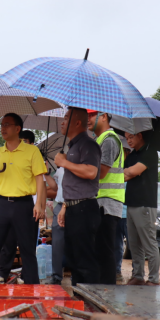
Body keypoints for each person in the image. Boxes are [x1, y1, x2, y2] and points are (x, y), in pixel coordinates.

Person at [0, 113, 47, 285]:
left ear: (17, 129)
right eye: (2, 125)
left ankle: (32, 287)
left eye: (7, 125)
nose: (3, 128)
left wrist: (39, 204)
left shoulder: (32, 151)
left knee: (27, 250)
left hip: (24, 205)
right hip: (1, 204)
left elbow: (40, 177)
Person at [0, 130, 57, 283]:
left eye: (25, 141)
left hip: (30, 206)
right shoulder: (13, 156)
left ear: (32, 143)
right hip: (13, 205)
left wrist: (40, 207)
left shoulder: (34, 157)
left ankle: (28, 276)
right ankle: (3, 271)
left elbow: (43, 185)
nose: (22, 143)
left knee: (27, 245)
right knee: (8, 241)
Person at [55, 107, 101, 286]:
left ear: (77, 123)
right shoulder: (73, 146)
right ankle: (79, 300)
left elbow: (91, 171)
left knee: (85, 260)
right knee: (74, 259)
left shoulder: (88, 145)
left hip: (84, 209)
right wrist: (65, 207)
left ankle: (91, 303)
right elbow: (74, 182)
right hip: (73, 208)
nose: (62, 121)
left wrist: (64, 162)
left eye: (66, 118)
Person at [87, 110, 124, 285]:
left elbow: (101, 173)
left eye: (91, 115)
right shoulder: (99, 140)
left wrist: (81, 167)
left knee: (105, 251)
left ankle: (106, 292)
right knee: (99, 251)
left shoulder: (109, 140)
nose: (88, 119)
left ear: (104, 116)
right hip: (101, 202)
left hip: (107, 204)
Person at [123, 131, 160, 286]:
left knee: (149, 243)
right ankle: (137, 276)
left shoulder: (150, 152)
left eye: (131, 137)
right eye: (126, 138)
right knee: (134, 244)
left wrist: (129, 172)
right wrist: (128, 172)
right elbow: (124, 175)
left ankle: (153, 279)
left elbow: (131, 171)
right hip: (131, 203)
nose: (129, 141)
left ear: (140, 135)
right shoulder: (132, 155)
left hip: (145, 204)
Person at [47, 163, 65, 285]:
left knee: (76, 242)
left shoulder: (77, 167)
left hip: (73, 204)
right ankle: (56, 276)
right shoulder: (60, 170)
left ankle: (79, 276)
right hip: (59, 205)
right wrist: (46, 174)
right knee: (57, 242)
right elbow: (55, 187)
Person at [115, 144, 131, 282]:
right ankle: (116, 270)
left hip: (128, 213)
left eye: (125, 151)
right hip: (117, 213)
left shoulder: (131, 168)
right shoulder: (114, 169)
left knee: (134, 244)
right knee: (117, 244)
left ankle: (138, 273)